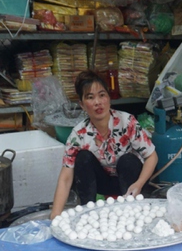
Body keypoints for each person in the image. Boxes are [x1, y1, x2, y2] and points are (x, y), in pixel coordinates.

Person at [50, 71, 158, 219]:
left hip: (131, 181)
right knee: (83, 158)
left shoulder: (127, 122)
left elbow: (151, 156)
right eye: (90, 97)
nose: (97, 102)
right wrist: (55, 215)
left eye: (102, 95)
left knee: (128, 160)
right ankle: (87, 214)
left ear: (109, 98)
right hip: (104, 181)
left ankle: (133, 213)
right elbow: (66, 177)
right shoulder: (79, 134)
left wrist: (139, 183)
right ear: (82, 104)